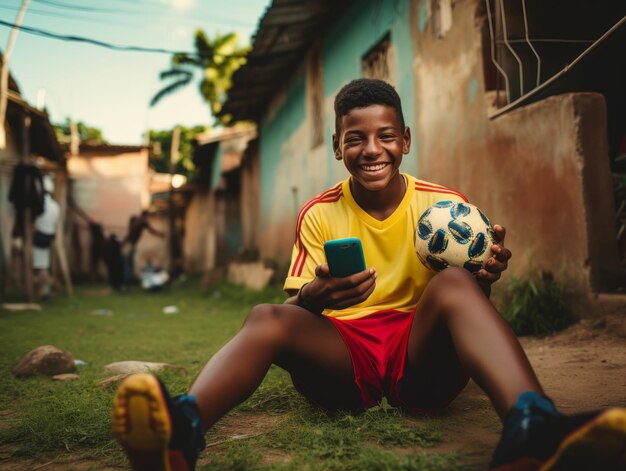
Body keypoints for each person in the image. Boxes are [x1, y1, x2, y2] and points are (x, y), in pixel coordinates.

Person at [112, 79, 626, 471]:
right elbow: (295, 317)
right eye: (354, 139)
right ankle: (182, 431)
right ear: (338, 147)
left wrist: (482, 278)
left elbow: (463, 306)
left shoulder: (446, 206)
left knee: (453, 283)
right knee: (266, 316)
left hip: (420, 359)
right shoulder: (318, 213)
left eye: (385, 136)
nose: (371, 149)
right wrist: (313, 298)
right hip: (344, 357)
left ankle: (533, 427)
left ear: (405, 140)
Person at [32, 176, 60, 300]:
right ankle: (45, 288)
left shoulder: (40, 205)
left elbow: (36, 223)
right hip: (49, 237)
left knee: (41, 265)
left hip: (40, 237)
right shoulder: (55, 205)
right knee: (43, 264)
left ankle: (48, 287)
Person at [123, 210, 165, 286]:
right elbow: (151, 230)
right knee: (129, 263)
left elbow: (130, 233)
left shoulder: (137, 220)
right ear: (146, 216)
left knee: (128, 263)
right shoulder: (143, 221)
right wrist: (160, 234)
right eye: (148, 217)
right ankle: (127, 282)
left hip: (129, 243)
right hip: (131, 244)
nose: (148, 219)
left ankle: (128, 281)